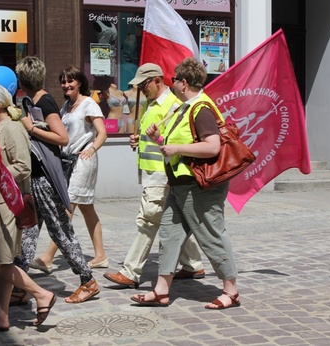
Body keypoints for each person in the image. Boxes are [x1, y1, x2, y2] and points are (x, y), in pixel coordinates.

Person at [131, 57, 239, 309]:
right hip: (179, 184)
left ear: (185, 82)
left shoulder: (201, 107)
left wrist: (175, 147)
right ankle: (161, 290)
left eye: (175, 80)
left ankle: (231, 291)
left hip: (199, 186)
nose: (172, 84)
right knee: (169, 235)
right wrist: (160, 140)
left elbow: (212, 146)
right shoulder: (184, 107)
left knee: (211, 235)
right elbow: (174, 148)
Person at [103, 63, 205, 289]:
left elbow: (177, 140)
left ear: (158, 81)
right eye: (138, 85)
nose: (140, 89)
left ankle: (131, 271)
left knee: (148, 220)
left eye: (144, 84)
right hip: (153, 172)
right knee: (175, 220)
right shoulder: (152, 104)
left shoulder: (174, 105)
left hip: (162, 173)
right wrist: (137, 140)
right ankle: (193, 264)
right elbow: (153, 137)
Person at [0, 83, 56, 334]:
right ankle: (2, 317)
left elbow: (23, 167)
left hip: (6, 204)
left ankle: (41, 294)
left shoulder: (13, 129)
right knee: (1, 260)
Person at [15, 56, 99, 304]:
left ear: (23, 79)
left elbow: (61, 138)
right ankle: (20, 285)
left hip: (46, 180)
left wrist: (30, 128)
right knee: (28, 232)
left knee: (61, 231)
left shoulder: (46, 102)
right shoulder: (31, 101)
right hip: (36, 178)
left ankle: (88, 281)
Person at [29, 66, 108, 270]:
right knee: (87, 208)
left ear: (79, 82)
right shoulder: (65, 106)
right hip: (67, 160)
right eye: (63, 81)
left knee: (67, 207)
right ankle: (100, 256)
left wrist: (92, 149)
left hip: (83, 160)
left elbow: (102, 133)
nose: (66, 85)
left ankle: (47, 257)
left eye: (70, 81)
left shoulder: (88, 104)